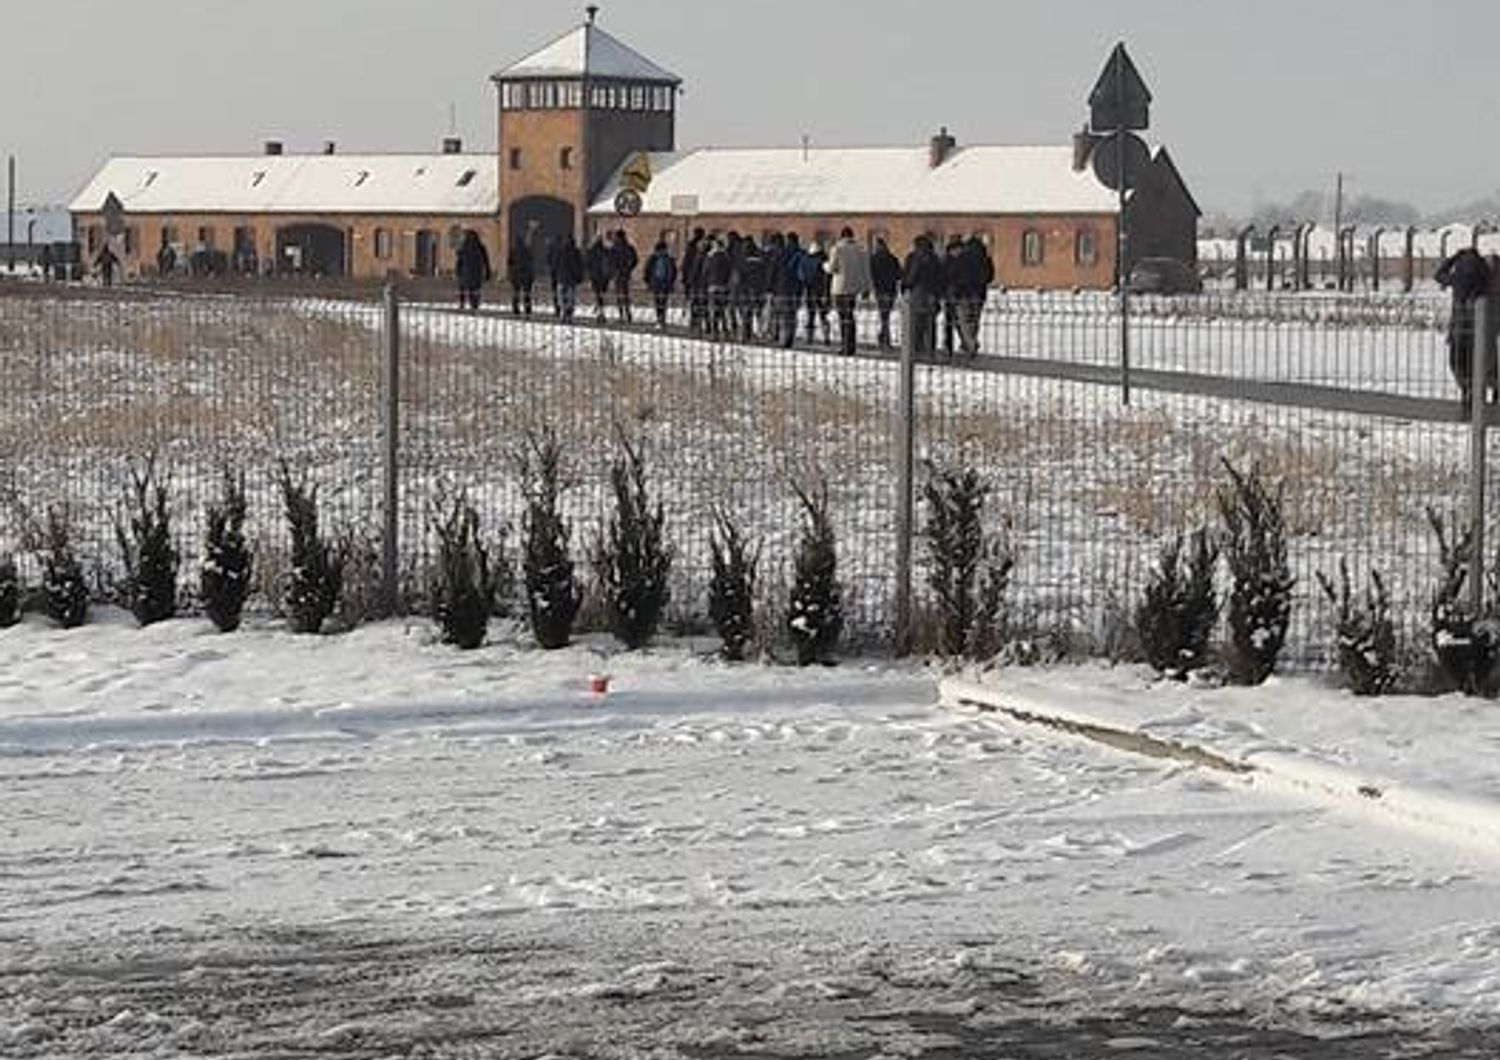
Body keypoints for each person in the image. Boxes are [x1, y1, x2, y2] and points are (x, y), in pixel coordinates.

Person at [1436, 247, 1495, 404]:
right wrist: (1482, 259)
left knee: (1457, 363)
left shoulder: (1457, 278)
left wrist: (1454, 257)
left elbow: (1438, 275)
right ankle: (1479, 391)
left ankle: (1467, 390)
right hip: (1478, 330)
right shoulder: (1485, 279)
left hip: (1459, 329)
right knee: (1478, 365)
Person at [826, 227, 872, 355]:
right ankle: (851, 345)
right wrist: (867, 288)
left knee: (843, 318)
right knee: (850, 317)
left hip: (840, 288)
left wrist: (824, 266)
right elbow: (866, 270)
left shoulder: (837, 249)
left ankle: (845, 346)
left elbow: (832, 268)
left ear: (841, 236)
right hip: (854, 288)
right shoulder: (861, 250)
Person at [901, 234, 944, 355]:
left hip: (916, 293)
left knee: (915, 323)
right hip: (931, 295)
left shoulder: (912, 257)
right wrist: (937, 294)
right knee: (930, 324)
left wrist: (904, 288)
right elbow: (940, 278)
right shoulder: (934, 258)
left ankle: (916, 347)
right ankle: (930, 348)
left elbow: (908, 276)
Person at [961, 235, 995, 355]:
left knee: (965, 319)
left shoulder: (963, 256)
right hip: (979, 293)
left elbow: (959, 273)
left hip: (965, 292)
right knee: (975, 319)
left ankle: (969, 343)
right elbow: (990, 276)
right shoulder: (985, 257)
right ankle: (971, 340)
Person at [774, 233, 806, 348]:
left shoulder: (782, 253)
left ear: (788, 241)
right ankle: (790, 338)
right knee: (792, 314)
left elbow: (775, 270)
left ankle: (784, 339)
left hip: (782, 288)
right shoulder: (802, 253)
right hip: (797, 289)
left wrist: (771, 287)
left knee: (783, 315)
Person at [870, 237, 901, 349]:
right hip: (890, 290)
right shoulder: (893, 258)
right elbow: (899, 274)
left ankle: (884, 338)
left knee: (884, 315)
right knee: (885, 315)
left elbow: (871, 275)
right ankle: (884, 337)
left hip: (880, 290)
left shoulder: (873, 259)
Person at [801, 240, 831, 344]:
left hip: (809, 289)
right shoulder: (824, 260)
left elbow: (802, 275)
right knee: (823, 315)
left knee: (810, 315)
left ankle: (809, 338)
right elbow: (828, 277)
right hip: (822, 291)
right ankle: (826, 337)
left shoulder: (806, 260)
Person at [454, 229, 492, 312]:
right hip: (476, 272)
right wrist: (488, 271)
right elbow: (486, 260)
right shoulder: (480, 247)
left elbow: (459, 261)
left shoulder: (464, 247)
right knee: (474, 289)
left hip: (466, 272)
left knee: (464, 288)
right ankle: (474, 304)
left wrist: (457, 271)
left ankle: (463, 303)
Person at [645, 238, 678, 328]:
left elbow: (647, 270)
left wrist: (648, 281)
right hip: (661, 283)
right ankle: (661, 318)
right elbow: (647, 270)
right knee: (660, 302)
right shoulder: (659, 259)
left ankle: (661, 319)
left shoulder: (657, 258)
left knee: (661, 302)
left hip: (660, 283)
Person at [554, 234, 585, 323]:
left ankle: (563, 314)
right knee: (570, 298)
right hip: (571, 280)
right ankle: (569, 315)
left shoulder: (560, 251)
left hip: (561, 278)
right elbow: (579, 266)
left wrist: (556, 274)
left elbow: (555, 264)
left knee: (562, 297)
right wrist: (579, 277)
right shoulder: (576, 252)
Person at [609, 229, 638, 323]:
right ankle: (627, 314)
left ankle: (622, 315)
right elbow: (635, 260)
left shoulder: (614, 248)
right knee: (625, 294)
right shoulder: (629, 247)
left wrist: (613, 270)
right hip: (625, 273)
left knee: (619, 294)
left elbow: (611, 261)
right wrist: (629, 268)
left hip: (618, 274)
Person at [586, 234, 612, 320]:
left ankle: (600, 310)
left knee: (597, 294)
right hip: (604, 276)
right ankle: (600, 309)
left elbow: (587, 264)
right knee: (601, 294)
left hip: (595, 275)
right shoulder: (606, 251)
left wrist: (589, 275)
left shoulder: (591, 251)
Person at [507, 237, 535, 315]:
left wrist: (510, 274)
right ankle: (527, 309)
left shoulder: (513, 251)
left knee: (516, 292)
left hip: (516, 275)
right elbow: (531, 263)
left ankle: (515, 308)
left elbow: (509, 263)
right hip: (526, 275)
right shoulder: (527, 251)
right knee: (527, 293)